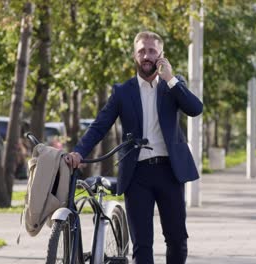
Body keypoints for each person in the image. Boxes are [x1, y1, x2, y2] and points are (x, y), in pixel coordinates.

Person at [63, 31, 203, 264]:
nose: (146, 55)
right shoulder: (123, 91)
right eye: (141, 51)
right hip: (137, 174)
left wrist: (171, 79)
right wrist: (79, 151)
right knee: (142, 245)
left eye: (151, 51)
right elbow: (99, 126)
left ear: (161, 55)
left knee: (177, 239)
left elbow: (195, 109)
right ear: (134, 55)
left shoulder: (173, 85)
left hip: (170, 172)